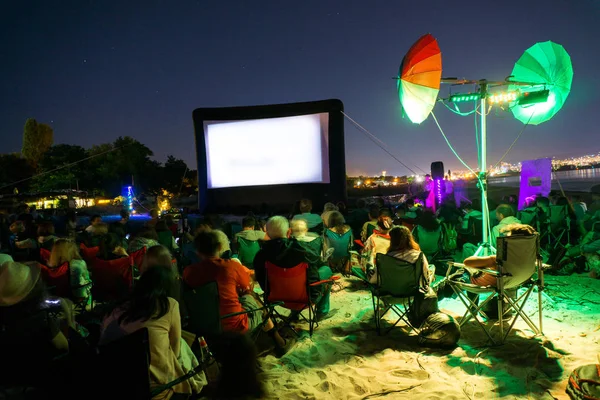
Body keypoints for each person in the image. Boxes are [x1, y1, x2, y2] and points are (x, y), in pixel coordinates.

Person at [100, 267, 207, 398]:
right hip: (157, 390)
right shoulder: (169, 305)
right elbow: (175, 351)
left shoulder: (114, 310)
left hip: (115, 386)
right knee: (182, 343)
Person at [183, 231, 292, 357]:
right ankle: (279, 342)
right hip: (235, 324)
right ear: (219, 247)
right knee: (252, 297)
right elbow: (248, 287)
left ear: (197, 251)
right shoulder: (231, 266)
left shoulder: (188, 272)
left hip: (205, 326)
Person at [253, 216, 334, 321]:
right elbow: (316, 259)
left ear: (267, 234)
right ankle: (322, 312)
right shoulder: (301, 250)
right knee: (326, 270)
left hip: (275, 298)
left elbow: (261, 280)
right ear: (288, 232)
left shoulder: (260, 256)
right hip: (304, 299)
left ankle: (294, 314)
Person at [0, 261, 71, 374]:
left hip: (12, 373)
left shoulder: (6, 321)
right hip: (41, 373)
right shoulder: (41, 320)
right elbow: (64, 346)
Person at [464, 224, 536, 286]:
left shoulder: (500, 260)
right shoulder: (530, 260)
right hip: (515, 283)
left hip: (491, 285)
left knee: (464, 272)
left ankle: (471, 302)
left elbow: (467, 262)